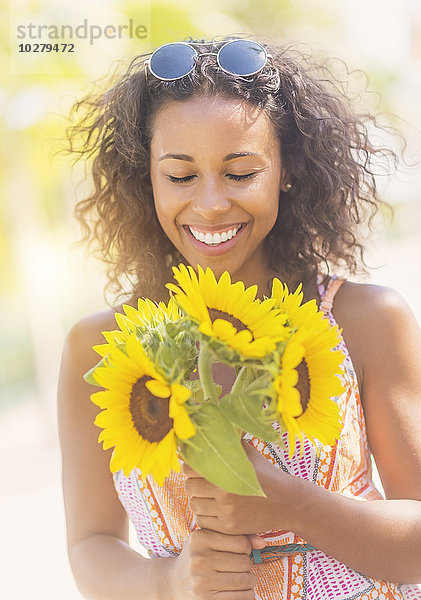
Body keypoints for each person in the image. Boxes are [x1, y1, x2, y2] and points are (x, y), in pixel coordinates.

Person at [58, 36, 421, 600]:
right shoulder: (101, 347)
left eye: (240, 172)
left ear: (287, 171)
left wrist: (295, 504)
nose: (209, 204)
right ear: (145, 178)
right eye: (180, 176)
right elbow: (90, 544)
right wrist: (168, 581)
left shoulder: (365, 320)